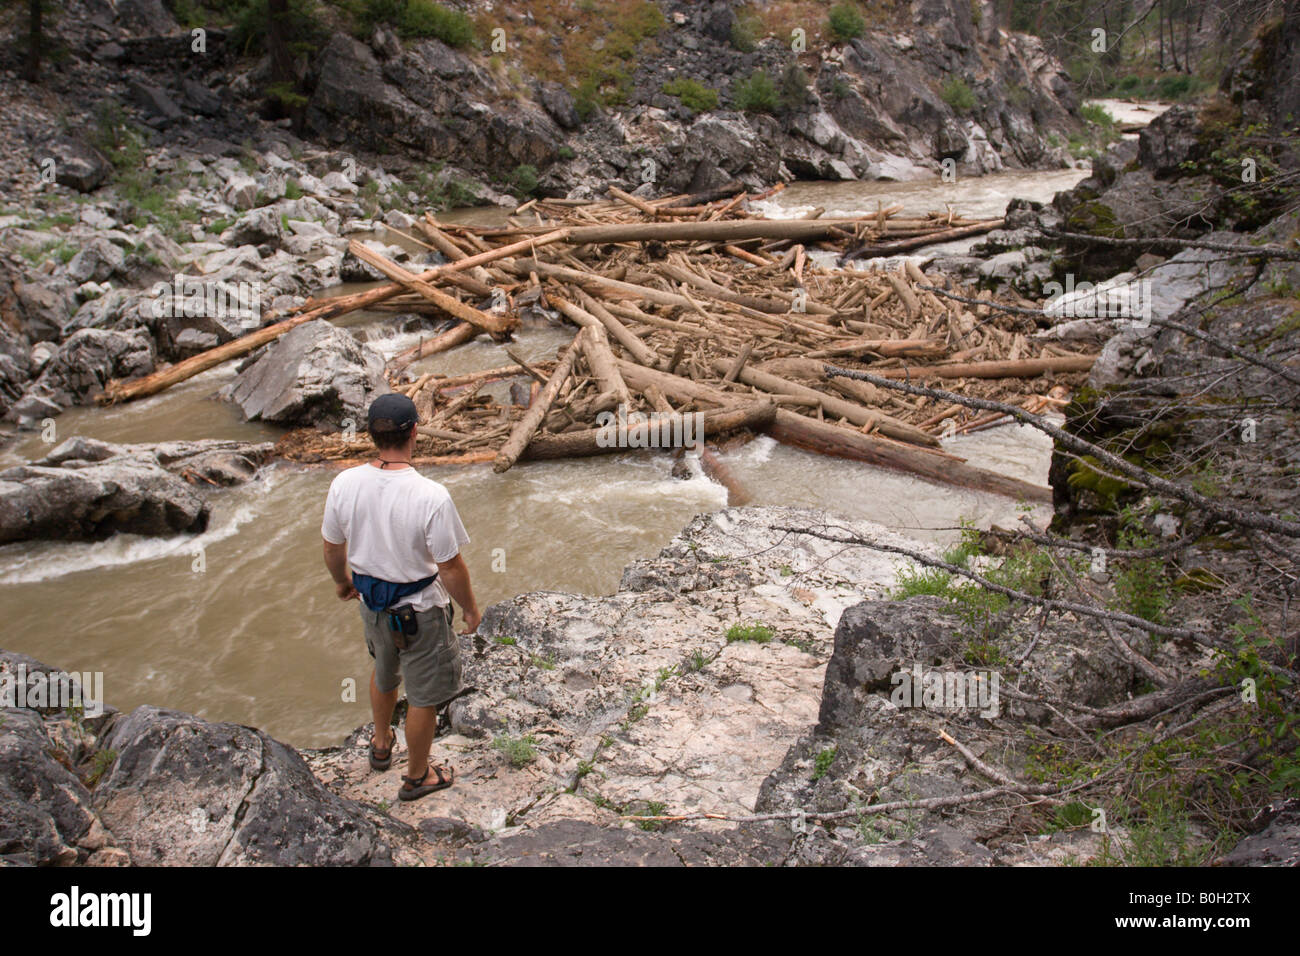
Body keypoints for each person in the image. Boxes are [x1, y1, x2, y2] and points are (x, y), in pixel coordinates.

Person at [321, 392, 481, 802]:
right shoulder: (430, 495)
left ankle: (380, 743)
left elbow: (333, 546)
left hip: (372, 604)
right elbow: (449, 567)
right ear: (414, 432)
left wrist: (342, 582)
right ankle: (416, 776)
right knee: (424, 697)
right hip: (420, 610)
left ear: (372, 435)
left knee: (383, 673)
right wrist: (469, 609)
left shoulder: (344, 483)